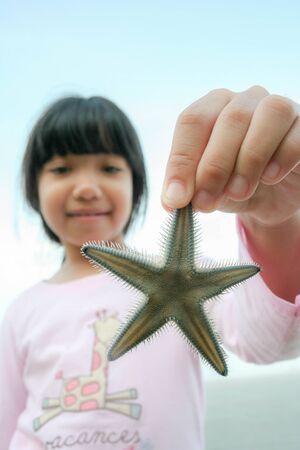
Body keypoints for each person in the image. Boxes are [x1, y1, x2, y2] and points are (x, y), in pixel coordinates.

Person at [0, 86, 299, 450]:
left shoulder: (197, 280)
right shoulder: (21, 312)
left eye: (109, 168)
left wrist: (274, 225)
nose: (86, 188)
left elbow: (269, 342)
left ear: (137, 185)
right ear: (33, 189)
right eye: (62, 169)